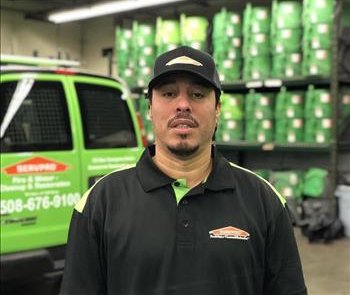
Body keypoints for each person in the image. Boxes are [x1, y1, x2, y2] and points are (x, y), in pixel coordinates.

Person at [60, 45, 307, 295]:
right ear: (149, 108)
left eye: (198, 95)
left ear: (218, 109)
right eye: (168, 94)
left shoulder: (264, 201)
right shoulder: (101, 201)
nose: (183, 105)